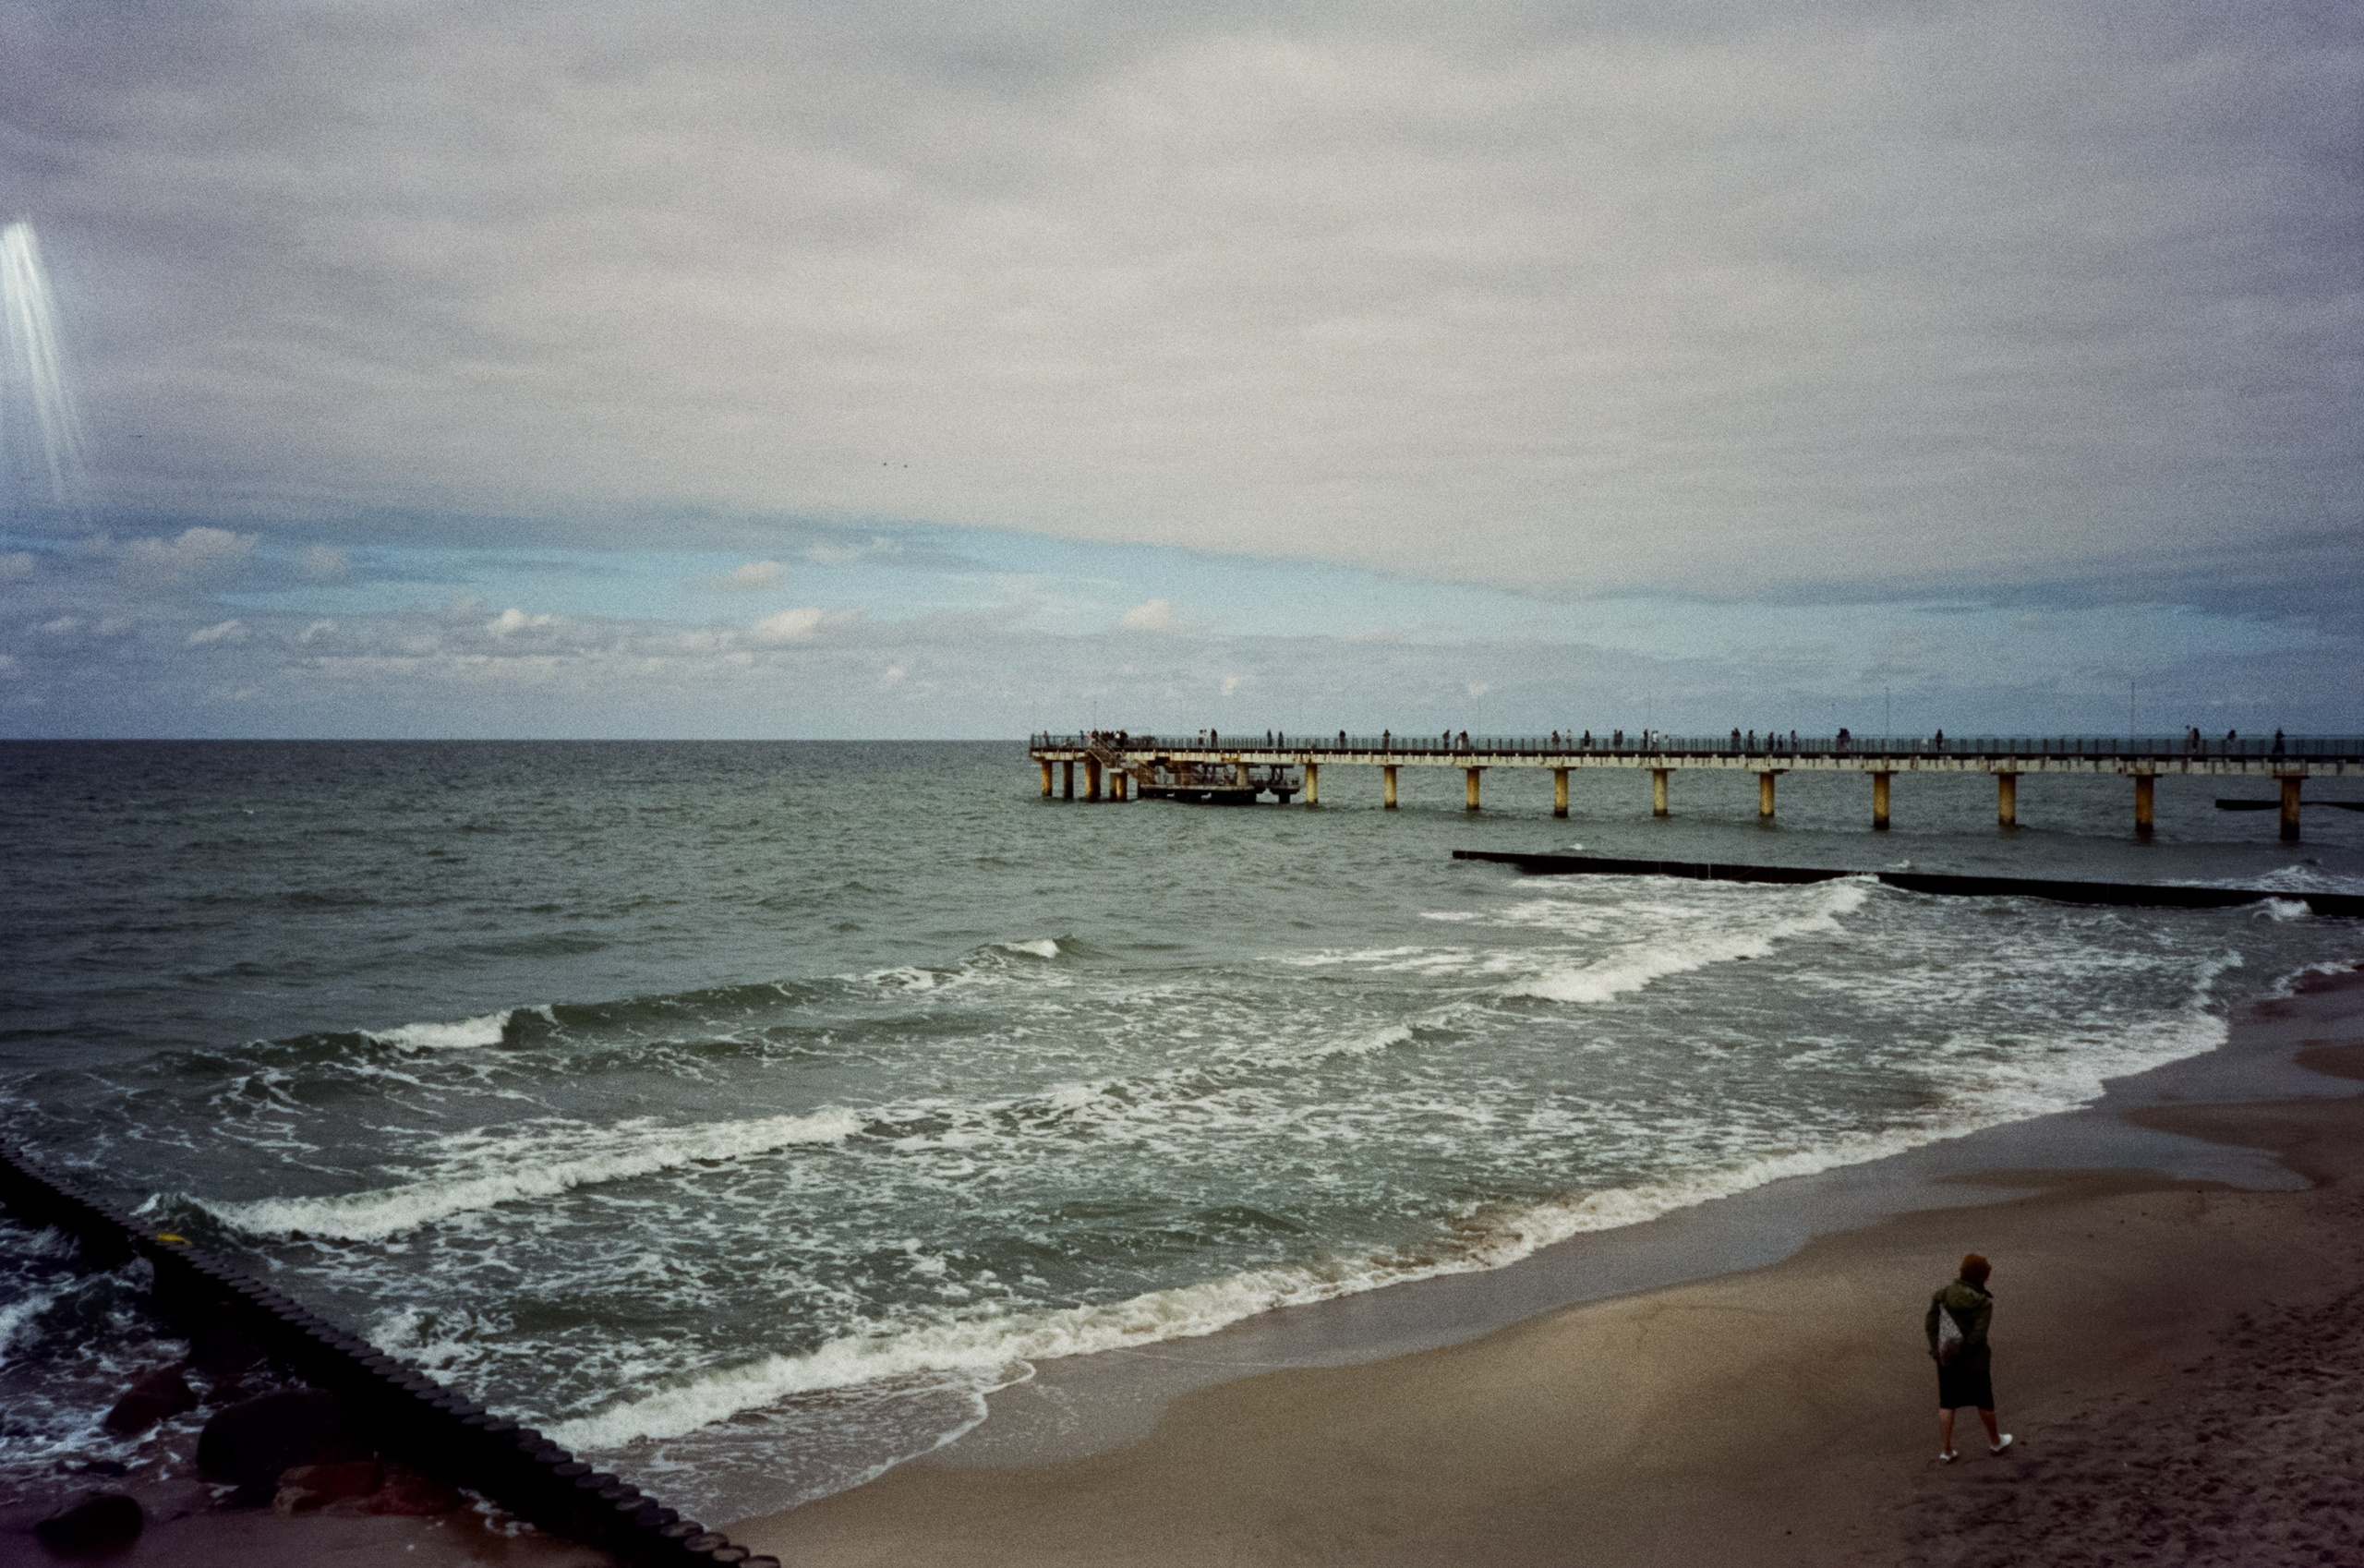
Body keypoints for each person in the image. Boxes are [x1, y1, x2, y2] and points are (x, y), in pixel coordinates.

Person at [1926, 1253, 2011, 1462]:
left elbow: (1931, 1325)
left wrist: (1938, 1352)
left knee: (1947, 1403)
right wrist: (1964, 1355)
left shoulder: (1942, 1294)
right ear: (1981, 1278)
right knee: (1984, 1402)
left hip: (1946, 1358)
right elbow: (1977, 1337)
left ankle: (1946, 1451)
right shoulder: (1983, 1303)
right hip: (1975, 1361)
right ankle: (1995, 1441)